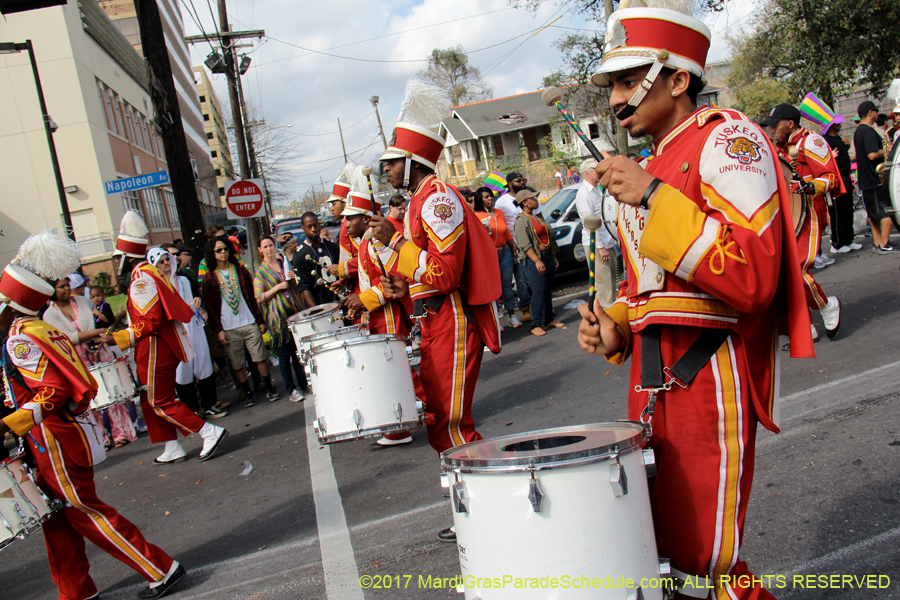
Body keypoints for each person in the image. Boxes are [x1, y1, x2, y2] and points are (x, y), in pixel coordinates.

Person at [578, 4, 814, 598]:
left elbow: (755, 276)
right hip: (652, 374)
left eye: (630, 81)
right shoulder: (651, 161)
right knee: (663, 550)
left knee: (710, 557)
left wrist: (656, 195)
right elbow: (651, 289)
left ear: (678, 80)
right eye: (612, 86)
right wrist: (617, 326)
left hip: (710, 369)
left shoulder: (729, 139)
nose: (616, 100)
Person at [0, 232, 187, 600]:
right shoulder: (39, 329)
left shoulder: (19, 339)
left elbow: (52, 391)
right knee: (56, 520)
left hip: (53, 438)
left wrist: (9, 425)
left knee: (84, 511)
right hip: (53, 438)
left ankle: (160, 569)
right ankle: (76, 591)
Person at [368, 81, 501, 542]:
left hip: (452, 318)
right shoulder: (421, 201)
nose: (384, 170)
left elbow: (444, 275)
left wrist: (397, 243)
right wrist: (399, 284)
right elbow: (424, 274)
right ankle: (474, 507)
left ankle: (491, 504)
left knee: (450, 422)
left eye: (390, 163)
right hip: (433, 319)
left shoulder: (438, 199)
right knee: (439, 423)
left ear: (413, 162)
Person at [100, 212, 226, 465]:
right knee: (150, 401)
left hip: (156, 347)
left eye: (116, 257)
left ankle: (208, 432)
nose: (115, 263)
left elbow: (150, 320)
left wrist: (121, 338)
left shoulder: (140, 278)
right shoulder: (148, 272)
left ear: (126, 256)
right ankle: (172, 446)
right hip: (157, 345)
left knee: (160, 401)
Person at [339, 192, 422, 448]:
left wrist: (363, 300)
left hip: (388, 317)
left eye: (350, 219)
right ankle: (399, 426)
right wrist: (359, 305)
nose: (345, 225)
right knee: (390, 373)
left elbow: (393, 279)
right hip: (377, 317)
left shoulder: (377, 242)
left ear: (365, 219)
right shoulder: (365, 243)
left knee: (394, 371)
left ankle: (426, 412)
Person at [763, 103, 843, 341]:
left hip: (808, 210)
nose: (772, 130)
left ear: (790, 123)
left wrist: (809, 186)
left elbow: (831, 178)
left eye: (776, 125)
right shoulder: (776, 147)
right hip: (783, 214)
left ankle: (827, 305)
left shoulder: (811, 142)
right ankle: (804, 324)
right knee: (781, 274)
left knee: (798, 271)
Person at [44, 277, 137, 449]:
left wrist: (103, 328)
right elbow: (67, 338)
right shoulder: (49, 314)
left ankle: (121, 433)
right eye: (61, 287)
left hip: (99, 348)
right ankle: (100, 439)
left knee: (112, 391)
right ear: (52, 290)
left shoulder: (83, 301)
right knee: (89, 399)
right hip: (76, 358)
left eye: (67, 285)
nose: (66, 289)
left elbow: (102, 319)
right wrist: (95, 331)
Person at [147, 248, 225, 420]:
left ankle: (209, 404)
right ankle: (192, 408)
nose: (166, 263)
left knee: (203, 361)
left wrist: (198, 301)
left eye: (168, 259)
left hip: (194, 327)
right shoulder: (155, 287)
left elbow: (195, 298)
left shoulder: (183, 280)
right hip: (175, 330)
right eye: (161, 261)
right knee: (183, 369)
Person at [201, 236, 279, 406]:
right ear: (212, 254)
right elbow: (211, 308)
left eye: (226, 249)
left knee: (260, 357)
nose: (223, 253)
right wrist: (219, 330)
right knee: (237, 363)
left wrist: (260, 320)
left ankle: (268, 387)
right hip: (228, 327)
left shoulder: (241, 271)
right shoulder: (209, 278)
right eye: (219, 250)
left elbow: (252, 298)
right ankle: (247, 392)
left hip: (249, 321)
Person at [254, 235, 309, 403]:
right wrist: (277, 288)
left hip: (292, 312)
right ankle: (291, 389)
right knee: (284, 355)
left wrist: (292, 279)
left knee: (297, 352)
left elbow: (294, 286)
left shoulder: (282, 263)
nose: (269, 249)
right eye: (265, 247)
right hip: (277, 318)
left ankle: (304, 384)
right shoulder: (260, 272)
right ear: (260, 250)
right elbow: (259, 297)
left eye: (271, 245)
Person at [514, 189, 565, 336]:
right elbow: (525, 244)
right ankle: (535, 324)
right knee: (538, 292)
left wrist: (552, 256)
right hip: (534, 260)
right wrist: (537, 260)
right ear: (525, 203)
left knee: (547, 289)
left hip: (547, 256)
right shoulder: (521, 220)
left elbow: (548, 238)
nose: (537, 200)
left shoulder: (536, 217)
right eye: (533, 199)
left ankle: (548, 319)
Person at [473, 186, 521, 329]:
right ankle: (496, 321)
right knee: (493, 288)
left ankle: (512, 317)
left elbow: (506, 233)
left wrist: (513, 244)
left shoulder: (499, 213)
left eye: (490, 196)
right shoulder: (477, 216)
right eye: (486, 197)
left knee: (507, 286)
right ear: (480, 200)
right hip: (488, 255)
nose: (490, 199)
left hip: (504, 252)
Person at [574, 157, 618, 310]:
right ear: (587, 173)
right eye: (596, 170)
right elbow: (589, 224)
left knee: (611, 283)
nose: (599, 172)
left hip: (606, 241)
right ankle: (606, 317)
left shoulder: (597, 190)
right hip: (596, 244)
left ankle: (611, 314)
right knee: (604, 286)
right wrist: (600, 247)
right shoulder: (584, 193)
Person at [854, 100, 895, 253]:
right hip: (874, 178)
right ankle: (884, 244)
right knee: (886, 214)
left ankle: (877, 243)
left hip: (865, 179)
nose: (877, 114)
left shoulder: (859, 131)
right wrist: (887, 150)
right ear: (870, 112)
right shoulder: (868, 131)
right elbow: (872, 155)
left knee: (873, 215)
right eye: (875, 111)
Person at [493, 171, 533, 322]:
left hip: (534, 244)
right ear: (510, 184)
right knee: (521, 279)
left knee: (536, 277)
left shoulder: (530, 195)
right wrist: (511, 244)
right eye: (518, 180)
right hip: (516, 246)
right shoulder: (502, 202)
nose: (522, 182)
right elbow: (500, 225)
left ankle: (541, 306)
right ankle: (525, 308)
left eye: (523, 179)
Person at [821, 122, 860, 254]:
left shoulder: (838, 138)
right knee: (838, 211)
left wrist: (846, 147)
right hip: (835, 179)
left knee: (848, 209)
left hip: (845, 176)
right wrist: (830, 156)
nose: (840, 124)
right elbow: (822, 159)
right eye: (836, 123)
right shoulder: (825, 140)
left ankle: (848, 239)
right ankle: (837, 243)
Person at [292, 212, 342, 307]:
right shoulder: (299, 255)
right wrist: (317, 311)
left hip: (340, 301)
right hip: (321, 304)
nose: (313, 229)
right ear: (303, 228)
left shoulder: (333, 247)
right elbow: (304, 287)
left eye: (315, 225)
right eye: (309, 227)